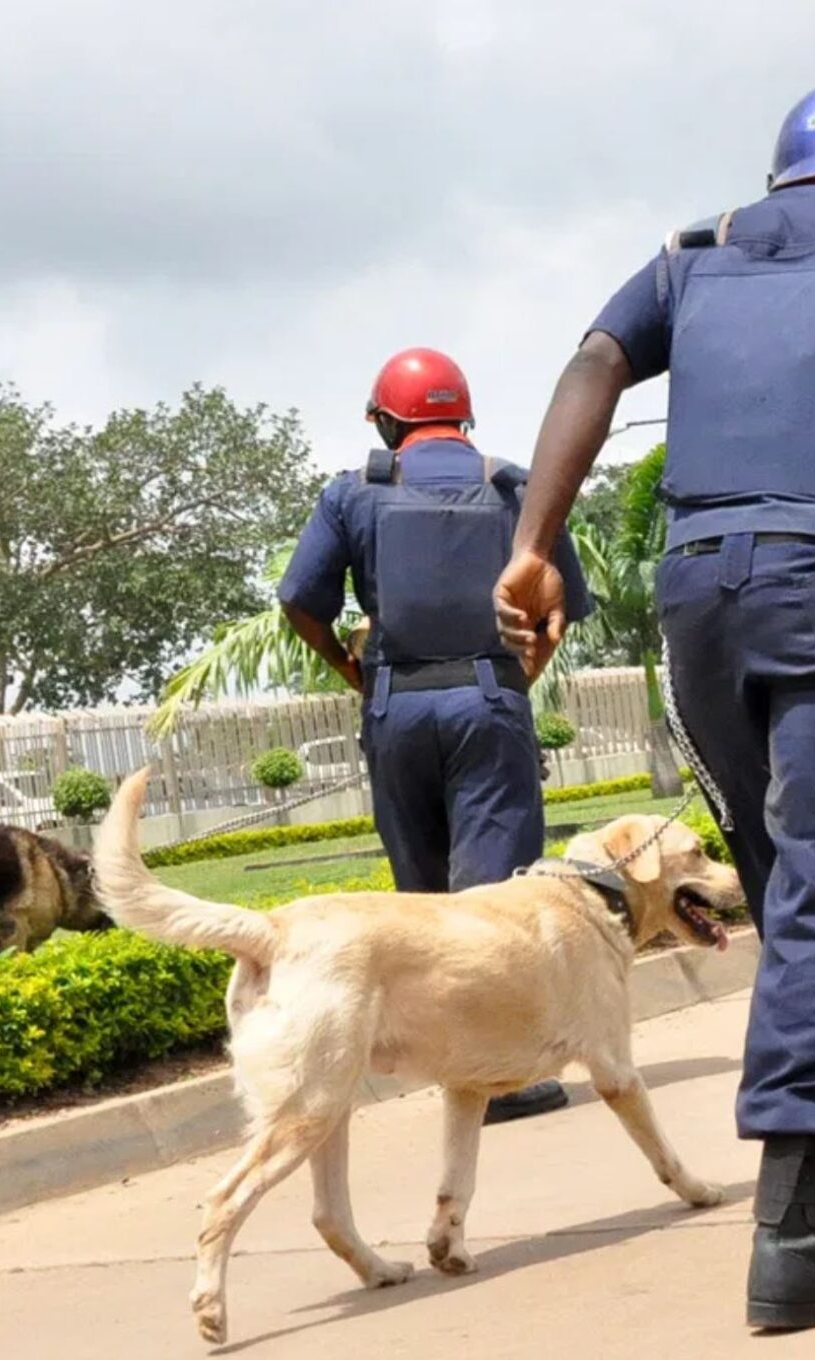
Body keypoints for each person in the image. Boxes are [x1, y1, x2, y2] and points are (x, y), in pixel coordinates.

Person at [491, 83, 815, 1329]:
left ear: (782, 183)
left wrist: (533, 543)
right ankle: (797, 1228)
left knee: (796, 890)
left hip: (698, 608)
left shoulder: (694, 256)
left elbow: (593, 364)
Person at [279, 346, 595, 1127]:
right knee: (494, 899)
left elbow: (299, 599)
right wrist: (519, 678)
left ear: (387, 421)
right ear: (464, 417)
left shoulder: (354, 494)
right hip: (488, 701)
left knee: (421, 902)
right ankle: (500, 1077)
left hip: (396, 708)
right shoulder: (515, 488)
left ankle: (455, 1064)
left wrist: (356, 677)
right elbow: (560, 609)